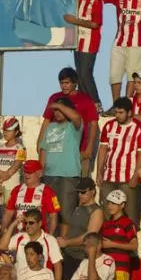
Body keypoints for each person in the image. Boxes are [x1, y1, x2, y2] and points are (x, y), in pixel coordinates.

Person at [38, 67, 100, 179]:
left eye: (67, 83)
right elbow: (47, 121)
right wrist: (40, 143)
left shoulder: (84, 99)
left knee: (80, 183)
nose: (64, 86)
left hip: (80, 148)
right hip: (56, 149)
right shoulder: (54, 98)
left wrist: (90, 147)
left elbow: (93, 123)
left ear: (75, 83)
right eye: (61, 83)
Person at [97, 97, 141, 224]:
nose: (117, 116)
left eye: (121, 113)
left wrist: (136, 176)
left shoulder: (139, 128)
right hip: (109, 177)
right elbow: (103, 150)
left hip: (128, 177)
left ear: (129, 112)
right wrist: (99, 172)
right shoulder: (109, 126)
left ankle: (131, 240)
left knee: (130, 213)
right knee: (107, 212)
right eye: (116, 112)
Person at [39, 97, 84, 229]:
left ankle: (64, 245)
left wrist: (57, 104)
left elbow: (76, 117)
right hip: (49, 176)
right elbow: (43, 150)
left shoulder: (73, 127)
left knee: (66, 213)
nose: (57, 113)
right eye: (55, 111)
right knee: (49, 212)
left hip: (68, 176)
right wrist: (41, 171)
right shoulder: (50, 127)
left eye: (60, 110)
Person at [64, 0, 105, 111]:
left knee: (85, 73)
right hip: (78, 40)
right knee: (79, 74)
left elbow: (95, 24)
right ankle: (84, 103)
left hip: (90, 40)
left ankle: (96, 103)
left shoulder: (96, 0)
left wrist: (75, 21)